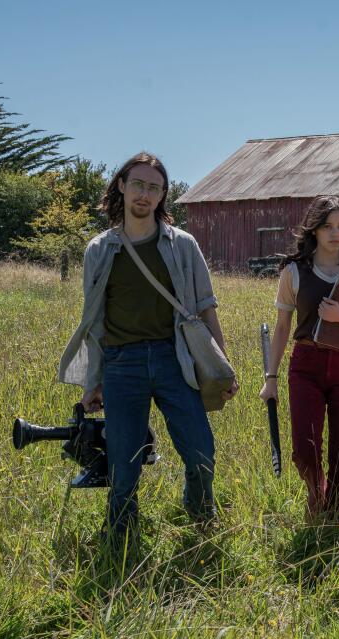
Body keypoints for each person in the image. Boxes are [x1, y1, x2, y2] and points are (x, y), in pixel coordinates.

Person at [57, 152, 238, 539]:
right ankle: (122, 530)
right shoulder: (100, 249)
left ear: (162, 196)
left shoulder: (182, 245)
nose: (145, 194)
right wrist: (94, 380)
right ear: (121, 186)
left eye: (154, 188)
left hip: (176, 360)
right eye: (138, 184)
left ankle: (200, 515)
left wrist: (222, 367)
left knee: (201, 450)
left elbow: (206, 308)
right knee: (124, 459)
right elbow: (95, 322)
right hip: (123, 365)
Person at [259, 196, 339, 522]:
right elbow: (283, 327)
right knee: (305, 449)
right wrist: (270, 379)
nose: (335, 233)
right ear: (314, 229)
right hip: (306, 365)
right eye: (328, 226)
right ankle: (316, 498)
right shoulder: (294, 271)